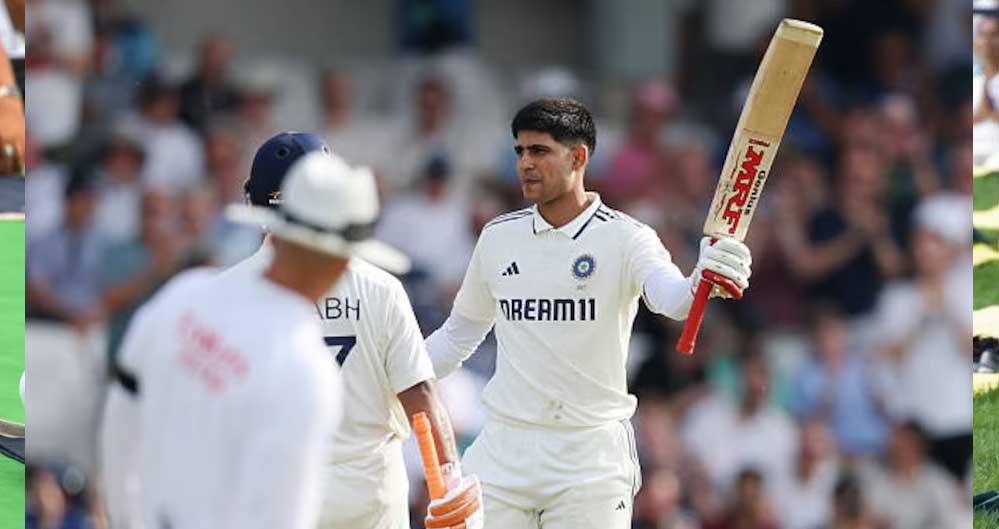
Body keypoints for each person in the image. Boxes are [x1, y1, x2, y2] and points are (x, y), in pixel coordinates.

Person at [426, 97, 753, 528]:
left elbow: (673, 300)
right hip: (505, 450)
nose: (525, 164)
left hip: (589, 459)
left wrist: (704, 279)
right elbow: (458, 335)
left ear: (578, 157)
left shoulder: (627, 238)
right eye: (520, 151)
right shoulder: (498, 237)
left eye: (539, 151)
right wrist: (389, 375)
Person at [99, 148, 407, 529]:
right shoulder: (305, 371)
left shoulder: (185, 294)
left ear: (273, 229)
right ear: (342, 263)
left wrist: (125, 519)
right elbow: (282, 516)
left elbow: (122, 417)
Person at [221, 131, 483, 529]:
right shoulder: (380, 288)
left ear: (250, 200)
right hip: (368, 495)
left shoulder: (226, 293)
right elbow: (421, 398)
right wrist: (449, 486)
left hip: (273, 492)